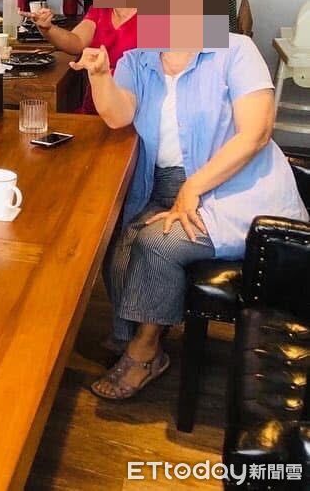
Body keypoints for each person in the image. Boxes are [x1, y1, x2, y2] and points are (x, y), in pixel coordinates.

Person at [71, 35, 307, 401]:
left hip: (235, 186)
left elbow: (256, 134)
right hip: (163, 184)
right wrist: (100, 75)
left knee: (156, 243)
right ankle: (130, 333)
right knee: (118, 249)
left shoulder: (235, 50)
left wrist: (193, 187)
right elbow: (119, 116)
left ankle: (146, 351)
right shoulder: (137, 59)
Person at [28, 5, 137, 113]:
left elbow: (146, 70)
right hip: (95, 105)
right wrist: (48, 28)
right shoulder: (100, 9)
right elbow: (77, 41)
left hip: (130, 108)